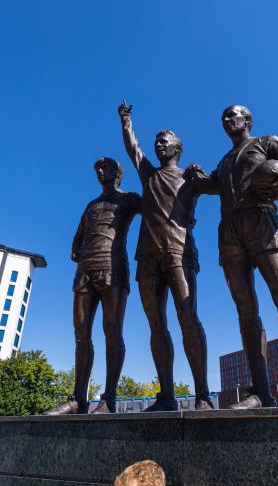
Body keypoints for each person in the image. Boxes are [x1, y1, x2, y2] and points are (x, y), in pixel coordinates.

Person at [185, 104, 278, 409]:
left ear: (247, 119)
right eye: (223, 117)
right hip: (231, 231)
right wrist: (196, 176)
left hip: (263, 222)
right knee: (246, 310)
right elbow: (213, 185)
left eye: (232, 115)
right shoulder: (224, 161)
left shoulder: (266, 142)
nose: (226, 120)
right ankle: (260, 392)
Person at [117, 102, 212, 411]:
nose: (159, 144)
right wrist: (126, 120)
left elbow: (217, 186)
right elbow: (133, 149)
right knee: (156, 324)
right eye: (156, 140)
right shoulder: (148, 175)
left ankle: (202, 394)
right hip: (146, 256)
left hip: (179, 252)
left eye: (165, 140)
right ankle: (167, 396)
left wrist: (202, 177)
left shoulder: (190, 177)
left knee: (188, 318)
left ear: (177, 147)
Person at [45, 158, 141, 415]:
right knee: (81, 332)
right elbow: (76, 241)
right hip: (85, 272)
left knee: (112, 330)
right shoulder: (91, 205)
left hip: (114, 269)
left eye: (105, 168)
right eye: (97, 169)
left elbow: (158, 208)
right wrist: (77, 251)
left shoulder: (129, 199)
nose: (100, 171)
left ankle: (108, 397)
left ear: (117, 172)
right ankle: (79, 399)